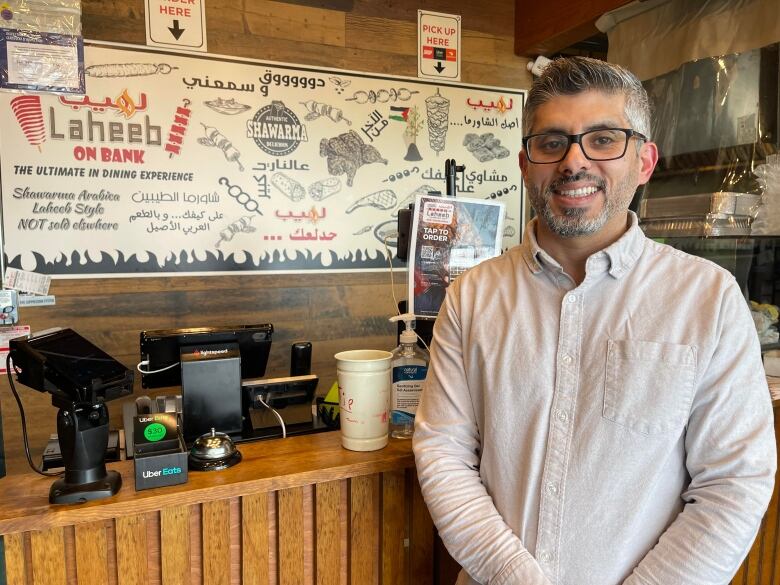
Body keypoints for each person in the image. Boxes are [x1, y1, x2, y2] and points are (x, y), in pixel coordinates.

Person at [413, 56, 777, 585]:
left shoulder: (708, 298)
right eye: (552, 141)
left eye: (604, 139)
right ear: (525, 163)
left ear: (645, 161)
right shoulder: (472, 296)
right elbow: (443, 453)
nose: (573, 162)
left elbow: (733, 484)